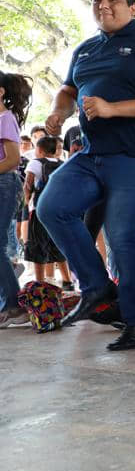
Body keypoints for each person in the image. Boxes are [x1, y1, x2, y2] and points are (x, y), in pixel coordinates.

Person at [37, 0, 135, 351]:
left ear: (132, 7)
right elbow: (69, 90)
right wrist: (57, 112)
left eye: (113, 0)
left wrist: (113, 109)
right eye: (97, 0)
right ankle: (97, 286)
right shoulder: (85, 50)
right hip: (91, 153)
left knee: (121, 235)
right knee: (52, 207)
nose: (103, 6)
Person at [0, 71, 32, 327]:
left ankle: (14, 305)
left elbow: (12, 160)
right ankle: (9, 294)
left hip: (5, 184)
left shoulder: (6, 119)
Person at [23, 136, 72, 286]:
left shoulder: (35, 163)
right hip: (59, 213)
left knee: (38, 246)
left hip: (40, 211)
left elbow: (28, 185)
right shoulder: (63, 164)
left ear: (39, 150)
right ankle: (67, 281)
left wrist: (25, 202)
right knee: (58, 246)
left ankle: (39, 283)